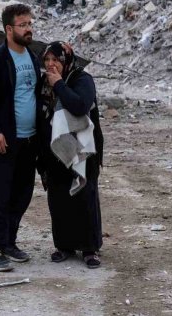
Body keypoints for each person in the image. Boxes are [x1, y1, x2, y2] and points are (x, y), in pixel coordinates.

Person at [0, 3, 41, 272]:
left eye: (30, 23)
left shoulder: (33, 57)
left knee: (22, 194)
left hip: (29, 140)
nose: (28, 28)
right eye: (23, 25)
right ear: (8, 29)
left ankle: (10, 242)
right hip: (3, 140)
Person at [36, 41, 104, 268]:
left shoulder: (81, 79)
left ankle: (89, 248)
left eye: (55, 59)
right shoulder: (44, 83)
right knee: (58, 198)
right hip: (54, 151)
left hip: (82, 150)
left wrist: (59, 86)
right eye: (47, 60)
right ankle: (63, 245)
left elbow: (80, 106)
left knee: (84, 197)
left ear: (66, 60)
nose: (51, 64)